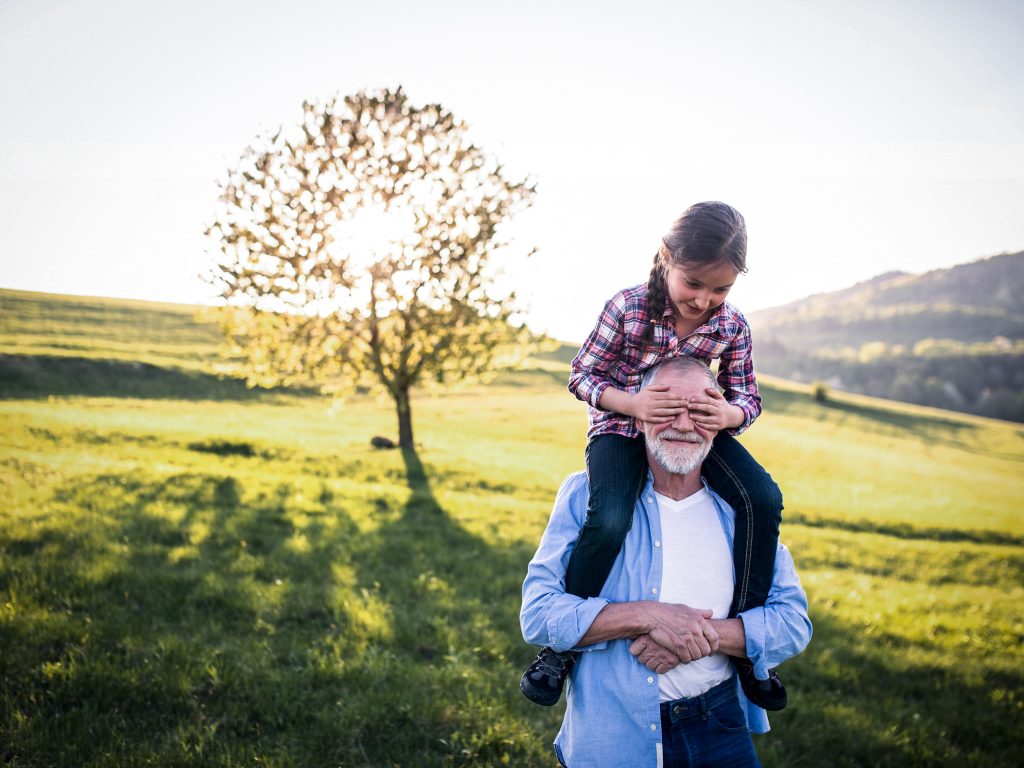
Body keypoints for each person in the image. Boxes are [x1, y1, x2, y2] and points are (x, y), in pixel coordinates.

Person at [520, 201, 786, 710]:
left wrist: (726, 417)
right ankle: (559, 651)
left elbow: (747, 397)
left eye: (721, 289)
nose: (705, 299)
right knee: (611, 517)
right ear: (667, 258)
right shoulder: (628, 307)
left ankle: (750, 651)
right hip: (621, 426)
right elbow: (582, 376)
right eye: (695, 284)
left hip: (696, 426)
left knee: (762, 499)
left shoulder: (731, 326)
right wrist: (635, 404)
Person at [520, 357, 812, 768]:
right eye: (667, 408)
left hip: (720, 726)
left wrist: (695, 633)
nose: (684, 424)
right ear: (637, 418)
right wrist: (647, 616)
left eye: (699, 410)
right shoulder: (589, 495)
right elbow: (538, 615)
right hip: (612, 732)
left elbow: (793, 623)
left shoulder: (743, 511)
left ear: (720, 422)